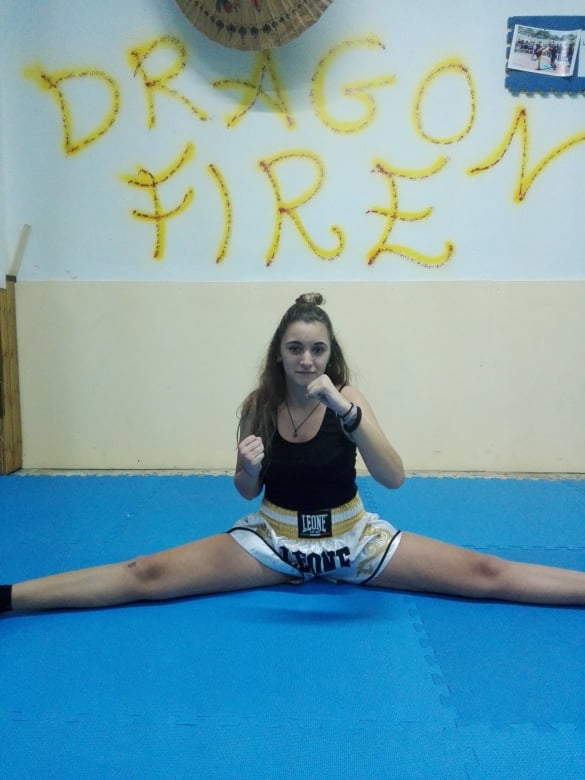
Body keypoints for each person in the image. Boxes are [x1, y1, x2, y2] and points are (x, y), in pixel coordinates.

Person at [2, 292, 585, 616]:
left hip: (354, 539)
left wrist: (346, 413)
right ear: (278, 353)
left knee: (486, 573)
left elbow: (395, 477)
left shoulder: (348, 399)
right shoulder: (259, 404)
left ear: (330, 355)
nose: (307, 360)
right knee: (145, 574)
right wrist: (246, 467)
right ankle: (10, 597)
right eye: (296, 348)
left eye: (317, 350)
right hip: (273, 540)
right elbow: (246, 490)